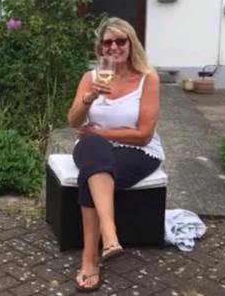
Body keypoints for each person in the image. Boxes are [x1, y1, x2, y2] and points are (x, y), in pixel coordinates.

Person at [66, 17, 165, 292]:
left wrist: (101, 133)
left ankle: (90, 259)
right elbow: (74, 123)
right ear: (100, 48)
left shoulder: (148, 79)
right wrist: (89, 98)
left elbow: (144, 134)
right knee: (94, 151)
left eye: (120, 41)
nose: (113, 47)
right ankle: (110, 237)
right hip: (93, 147)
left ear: (131, 44)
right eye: (107, 42)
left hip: (138, 150)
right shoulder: (92, 78)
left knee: (92, 171)